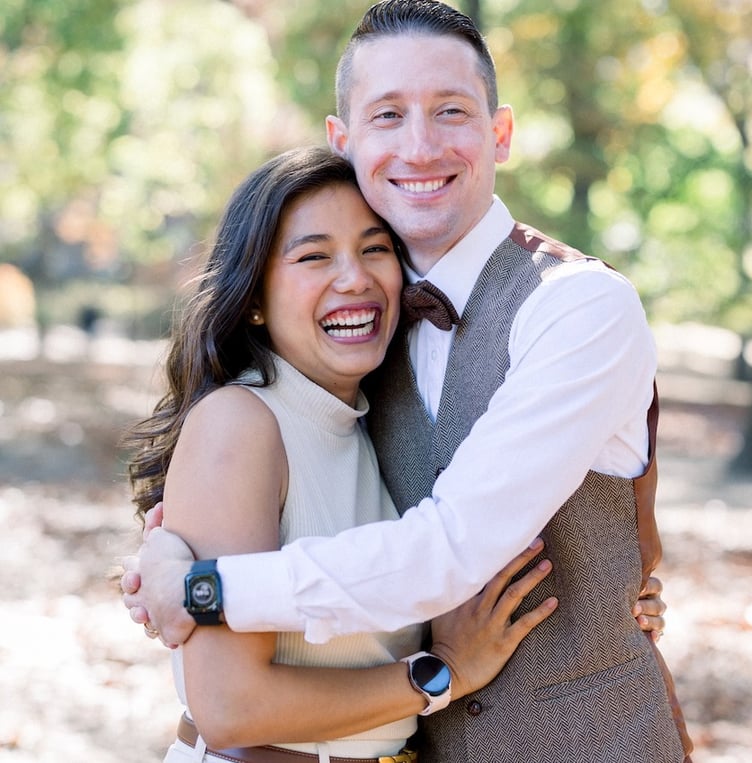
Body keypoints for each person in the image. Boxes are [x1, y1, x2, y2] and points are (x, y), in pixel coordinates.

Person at [123, 1, 693, 761]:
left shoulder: (577, 305)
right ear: (346, 140)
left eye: (451, 111)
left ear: (501, 132)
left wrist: (207, 586)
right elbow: (264, 486)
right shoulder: (362, 334)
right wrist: (166, 550)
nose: (420, 146)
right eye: (388, 114)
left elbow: (451, 549)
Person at [126, 145, 559, 762]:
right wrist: (442, 675)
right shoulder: (241, 422)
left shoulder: (370, 423)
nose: (354, 277)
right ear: (253, 296)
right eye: (314, 256)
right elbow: (230, 708)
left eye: (375, 248)